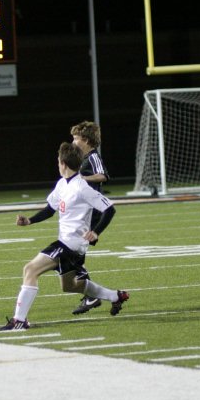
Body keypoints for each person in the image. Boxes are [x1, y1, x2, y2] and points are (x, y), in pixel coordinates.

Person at [0, 142, 128, 331]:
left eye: (58, 161)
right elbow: (50, 209)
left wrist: (95, 232)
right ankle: (115, 296)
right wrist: (29, 221)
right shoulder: (62, 184)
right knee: (70, 286)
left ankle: (19, 320)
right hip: (68, 245)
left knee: (30, 270)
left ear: (63, 163)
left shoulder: (81, 187)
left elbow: (109, 209)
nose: (57, 164)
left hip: (71, 245)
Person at [70, 120, 110, 315]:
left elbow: (103, 176)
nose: (73, 141)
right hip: (82, 215)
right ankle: (91, 295)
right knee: (75, 257)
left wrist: (82, 178)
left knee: (73, 257)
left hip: (90, 217)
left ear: (85, 140)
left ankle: (93, 296)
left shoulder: (93, 156)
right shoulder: (83, 158)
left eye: (75, 138)